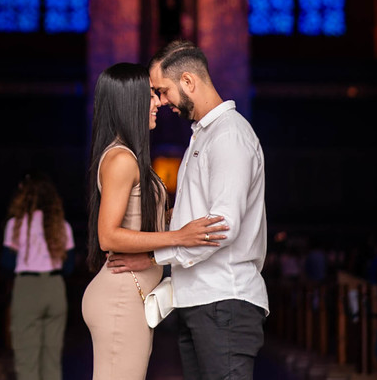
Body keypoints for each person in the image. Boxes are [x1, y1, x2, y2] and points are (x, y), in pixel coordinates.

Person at [108, 40, 268, 380]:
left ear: (188, 81)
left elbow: (221, 227)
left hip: (224, 300)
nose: (161, 101)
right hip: (200, 301)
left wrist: (153, 257)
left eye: (163, 91)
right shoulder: (204, 135)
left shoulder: (228, 135)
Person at [81, 63, 228, 380]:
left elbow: (141, 219)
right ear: (129, 101)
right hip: (120, 297)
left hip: (129, 295)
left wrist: (181, 217)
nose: (159, 102)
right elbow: (108, 236)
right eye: (150, 95)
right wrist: (179, 237)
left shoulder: (128, 155)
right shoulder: (122, 159)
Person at [3, 172, 75, 380]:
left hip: (28, 287)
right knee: (52, 359)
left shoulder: (16, 224)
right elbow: (69, 267)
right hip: (55, 287)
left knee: (27, 359)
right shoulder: (62, 226)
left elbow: (7, 263)